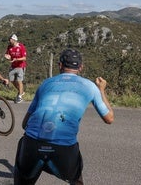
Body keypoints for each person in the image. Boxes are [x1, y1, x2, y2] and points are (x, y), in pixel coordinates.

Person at [14, 48, 114, 185]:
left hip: (31, 145)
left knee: (23, 168)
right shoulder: (90, 86)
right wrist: (101, 90)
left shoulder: (45, 83)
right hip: (63, 151)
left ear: (60, 65)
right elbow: (109, 119)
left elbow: (25, 124)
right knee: (76, 179)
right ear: (81, 67)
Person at [4, 34, 27, 103]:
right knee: (12, 80)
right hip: (13, 66)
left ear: (14, 39)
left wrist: (16, 59)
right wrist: (6, 56)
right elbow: (7, 54)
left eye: (10, 39)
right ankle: (21, 91)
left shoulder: (21, 46)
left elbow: (24, 58)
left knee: (19, 81)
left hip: (21, 66)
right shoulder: (9, 47)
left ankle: (19, 97)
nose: (9, 41)